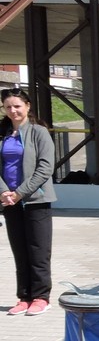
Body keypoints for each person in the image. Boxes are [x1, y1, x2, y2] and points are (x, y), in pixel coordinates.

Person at [1, 87, 56, 316]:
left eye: (17, 106)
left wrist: (20, 193)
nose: (13, 111)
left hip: (35, 200)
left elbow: (45, 168)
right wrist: (4, 192)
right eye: (8, 107)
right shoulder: (3, 134)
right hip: (9, 201)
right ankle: (24, 297)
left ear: (27, 106)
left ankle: (41, 297)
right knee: (20, 251)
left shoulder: (39, 132)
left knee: (38, 251)